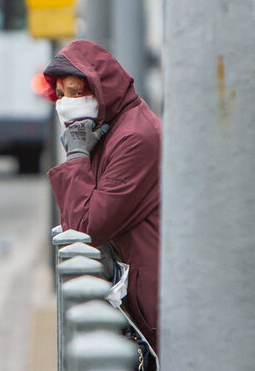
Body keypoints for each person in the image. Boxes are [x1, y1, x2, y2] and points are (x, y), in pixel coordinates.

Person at [43, 40, 162, 352]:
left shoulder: (135, 138)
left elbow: (84, 228)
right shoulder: (109, 131)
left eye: (76, 92)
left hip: (157, 309)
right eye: (60, 95)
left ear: (100, 89)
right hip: (140, 301)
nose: (66, 104)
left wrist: (78, 155)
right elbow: (77, 220)